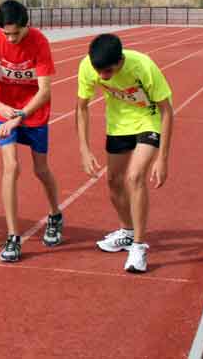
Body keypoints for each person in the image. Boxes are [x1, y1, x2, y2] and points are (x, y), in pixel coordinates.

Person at [76, 33, 173, 274]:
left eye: (107, 72)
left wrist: (163, 158)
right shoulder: (89, 67)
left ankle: (139, 248)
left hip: (147, 121)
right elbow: (81, 107)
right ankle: (128, 232)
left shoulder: (143, 66)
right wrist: (84, 149)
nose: (102, 77)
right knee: (113, 181)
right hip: (118, 125)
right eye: (98, 71)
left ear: (120, 61)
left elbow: (167, 111)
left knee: (134, 177)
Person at [0, 0, 62, 262]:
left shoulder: (39, 42)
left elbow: (45, 91)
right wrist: (0, 106)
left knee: (40, 169)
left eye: (16, 33)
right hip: (4, 110)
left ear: (27, 25)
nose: (11, 39)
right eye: (7, 33)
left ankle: (55, 214)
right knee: (11, 167)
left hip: (33, 110)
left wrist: (22, 115)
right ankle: (13, 236)